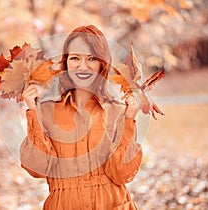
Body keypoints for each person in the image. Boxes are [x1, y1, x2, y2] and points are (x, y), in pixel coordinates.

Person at [20, 25, 143, 210]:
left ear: (102, 63)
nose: (82, 66)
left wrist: (129, 120)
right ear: (66, 62)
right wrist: (32, 110)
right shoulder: (45, 111)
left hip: (112, 203)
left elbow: (121, 174)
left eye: (91, 58)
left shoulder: (118, 112)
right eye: (75, 58)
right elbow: (37, 168)